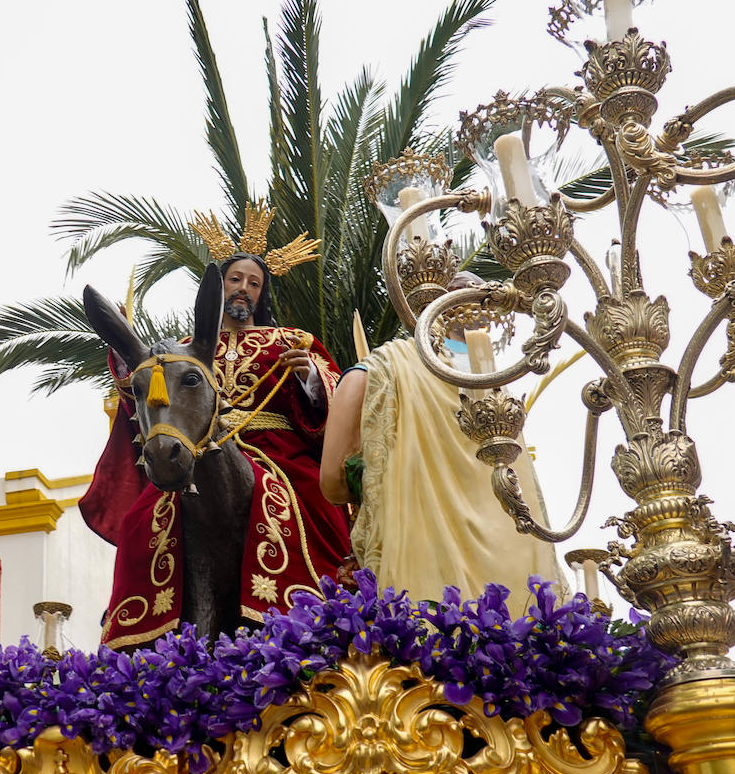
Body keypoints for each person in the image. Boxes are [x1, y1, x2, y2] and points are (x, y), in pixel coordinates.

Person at [82, 206, 352, 647]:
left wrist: (307, 377)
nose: (243, 289)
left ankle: (323, 614)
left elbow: (336, 395)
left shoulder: (289, 340)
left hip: (277, 450)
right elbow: (151, 391)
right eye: (235, 280)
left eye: (253, 283)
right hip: (196, 448)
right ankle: (138, 627)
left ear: (262, 295)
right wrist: (128, 364)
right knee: (142, 519)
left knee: (317, 506)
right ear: (220, 287)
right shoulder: (183, 350)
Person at [319, 282, 561, 602]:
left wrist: (379, 476)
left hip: (427, 558)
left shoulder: (390, 370)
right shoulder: (497, 399)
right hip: (508, 569)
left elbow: (334, 483)